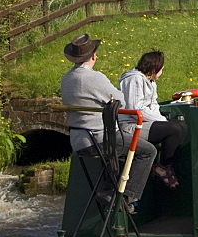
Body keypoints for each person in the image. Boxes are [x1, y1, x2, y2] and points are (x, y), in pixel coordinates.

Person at [60, 33, 157, 206]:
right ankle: (125, 197)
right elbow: (121, 100)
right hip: (100, 141)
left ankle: (109, 189)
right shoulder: (94, 78)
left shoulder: (66, 79)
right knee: (148, 151)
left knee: (123, 152)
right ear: (93, 56)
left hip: (78, 142)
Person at [119, 50, 187, 190]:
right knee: (172, 130)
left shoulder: (151, 82)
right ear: (155, 69)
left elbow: (153, 105)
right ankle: (162, 168)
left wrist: (161, 119)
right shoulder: (134, 80)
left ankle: (166, 165)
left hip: (144, 122)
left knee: (181, 126)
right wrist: (162, 122)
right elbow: (135, 109)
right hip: (130, 125)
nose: (162, 72)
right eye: (161, 69)